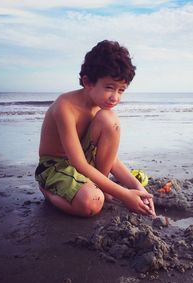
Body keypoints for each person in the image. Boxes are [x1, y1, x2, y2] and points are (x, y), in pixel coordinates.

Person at [35, 40, 155, 217]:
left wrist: (136, 188)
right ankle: (49, 192)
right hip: (55, 167)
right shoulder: (65, 107)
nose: (115, 97)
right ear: (88, 82)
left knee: (110, 120)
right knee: (92, 203)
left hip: (83, 165)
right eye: (109, 87)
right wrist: (123, 194)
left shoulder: (102, 108)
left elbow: (110, 158)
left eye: (121, 90)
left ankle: (99, 184)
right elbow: (79, 163)